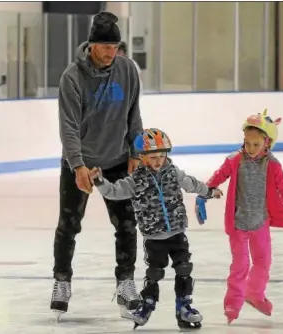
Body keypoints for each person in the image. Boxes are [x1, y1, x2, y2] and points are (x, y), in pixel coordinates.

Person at [50, 12, 143, 320]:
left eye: (115, 46)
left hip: (117, 161)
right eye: (105, 47)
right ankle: (62, 281)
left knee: (127, 225)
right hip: (81, 164)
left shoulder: (128, 70)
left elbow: (134, 114)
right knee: (69, 225)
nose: (110, 53)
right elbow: (69, 127)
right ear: (91, 45)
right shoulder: (73, 77)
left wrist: (136, 151)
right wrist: (77, 166)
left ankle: (126, 282)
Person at [89, 128, 222, 330]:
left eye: (162, 156)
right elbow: (114, 192)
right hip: (154, 236)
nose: (159, 161)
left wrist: (209, 191)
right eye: (153, 157)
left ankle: (184, 306)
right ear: (142, 157)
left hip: (177, 232)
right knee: (155, 273)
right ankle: (147, 304)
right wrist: (100, 181)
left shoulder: (174, 173)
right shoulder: (135, 180)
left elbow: (192, 184)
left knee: (184, 268)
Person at [196, 110, 283, 324]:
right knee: (240, 265)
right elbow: (218, 176)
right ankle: (233, 302)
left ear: (267, 143)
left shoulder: (272, 164)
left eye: (256, 144)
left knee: (263, 262)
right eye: (247, 143)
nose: (251, 148)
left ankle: (254, 294)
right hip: (238, 222)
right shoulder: (235, 159)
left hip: (260, 222)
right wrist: (204, 193)